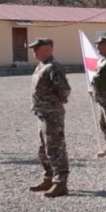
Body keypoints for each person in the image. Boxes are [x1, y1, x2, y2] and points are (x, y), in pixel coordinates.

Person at [28, 38, 71, 198]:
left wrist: (56, 102)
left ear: (47, 49)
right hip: (42, 113)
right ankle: (49, 178)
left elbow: (64, 89)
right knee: (43, 149)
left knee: (55, 148)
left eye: (37, 48)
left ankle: (60, 183)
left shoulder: (53, 66)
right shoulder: (42, 65)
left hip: (52, 113)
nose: (34, 51)